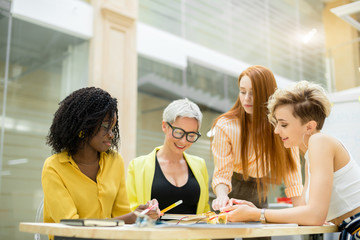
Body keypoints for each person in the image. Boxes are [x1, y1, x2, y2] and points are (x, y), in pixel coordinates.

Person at [223, 81, 360, 239]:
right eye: (276, 124)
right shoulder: (311, 153)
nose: (276, 131)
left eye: (283, 124)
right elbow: (303, 214)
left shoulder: (319, 142)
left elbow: (314, 216)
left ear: (309, 127)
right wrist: (253, 211)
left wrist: (256, 214)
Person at [42, 87, 159, 239]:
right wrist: (129, 218)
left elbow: (122, 217)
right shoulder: (54, 167)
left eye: (113, 127)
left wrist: (141, 214)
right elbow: (71, 228)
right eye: (105, 126)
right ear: (83, 126)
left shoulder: (115, 161)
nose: (111, 134)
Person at [211, 65, 303, 211]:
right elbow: (222, 173)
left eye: (253, 93)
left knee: (260, 231)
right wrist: (221, 196)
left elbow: (293, 175)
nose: (246, 98)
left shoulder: (281, 125)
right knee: (223, 231)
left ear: (267, 94)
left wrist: (302, 212)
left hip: (258, 189)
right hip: (229, 187)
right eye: (242, 92)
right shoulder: (226, 125)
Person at [126, 98, 210, 215]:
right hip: (154, 233)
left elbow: (205, 210)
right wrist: (145, 213)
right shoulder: (137, 166)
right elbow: (131, 210)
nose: (183, 141)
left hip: (193, 233)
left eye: (191, 135)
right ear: (165, 126)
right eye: (179, 132)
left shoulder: (199, 165)